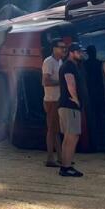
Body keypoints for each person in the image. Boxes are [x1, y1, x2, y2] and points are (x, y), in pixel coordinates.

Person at [57, 42, 85, 177]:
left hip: (66, 105)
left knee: (69, 137)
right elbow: (70, 83)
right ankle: (66, 167)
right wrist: (76, 99)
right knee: (72, 136)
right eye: (78, 52)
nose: (81, 54)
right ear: (71, 52)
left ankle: (65, 165)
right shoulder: (69, 66)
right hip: (70, 105)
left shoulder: (71, 65)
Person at [41, 39, 66, 167]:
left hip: (57, 99)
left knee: (56, 130)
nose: (63, 49)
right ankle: (50, 158)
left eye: (64, 47)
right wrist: (62, 82)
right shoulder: (48, 62)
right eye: (61, 47)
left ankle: (60, 157)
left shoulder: (59, 61)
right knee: (52, 130)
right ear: (54, 48)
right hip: (51, 100)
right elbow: (45, 81)